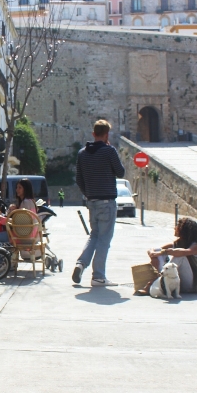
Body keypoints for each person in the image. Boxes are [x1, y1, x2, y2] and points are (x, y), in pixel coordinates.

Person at [73, 119, 125, 286]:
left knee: (94, 235)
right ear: (106, 134)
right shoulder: (109, 151)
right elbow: (121, 172)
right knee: (104, 239)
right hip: (107, 201)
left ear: (93, 134)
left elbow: (79, 179)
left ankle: (81, 263)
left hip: (92, 200)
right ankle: (98, 276)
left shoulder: (82, 153)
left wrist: (88, 193)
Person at [139, 217, 197, 294]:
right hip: (178, 283)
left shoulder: (196, 246)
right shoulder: (178, 243)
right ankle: (159, 282)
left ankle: (152, 284)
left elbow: (183, 252)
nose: (174, 228)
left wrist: (162, 253)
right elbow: (154, 249)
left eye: (177, 226)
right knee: (158, 253)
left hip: (192, 284)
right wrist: (154, 255)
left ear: (183, 230)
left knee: (180, 256)